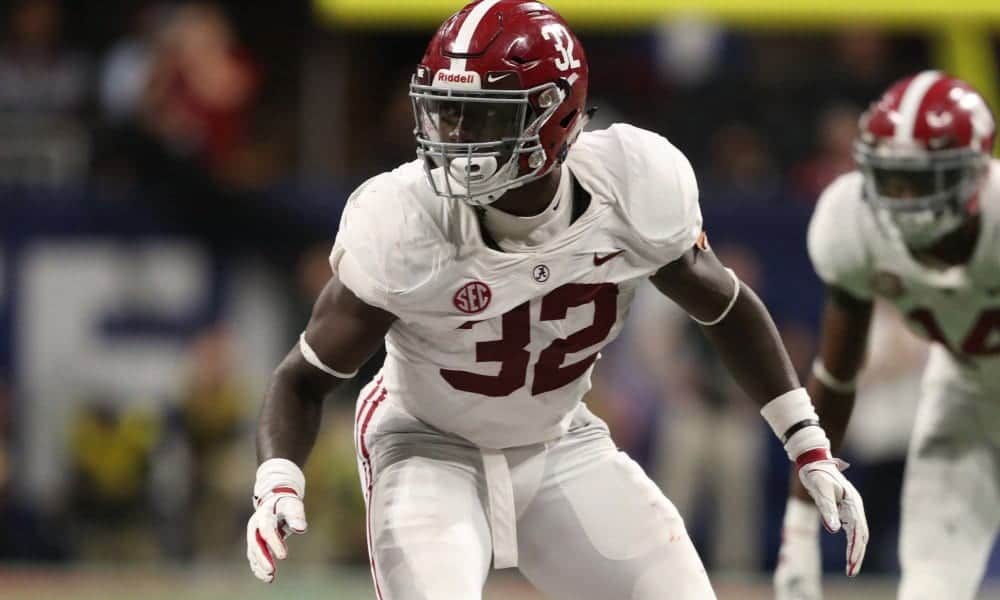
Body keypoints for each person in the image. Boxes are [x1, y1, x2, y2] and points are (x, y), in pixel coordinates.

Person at [245, 2, 867, 598]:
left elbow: (725, 307)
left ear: (554, 116)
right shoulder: (406, 218)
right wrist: (278, 481)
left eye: (482, 115)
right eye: (448, 111)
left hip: (559, 441)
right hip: (426, 446)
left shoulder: (628, 187)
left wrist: (805, 439)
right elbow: (303, 378)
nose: (456, 136)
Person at [774, 70, 999, 600]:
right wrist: (800, 531)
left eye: (920, 180)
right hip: (967, 388)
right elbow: (837, 376)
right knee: (930, 585)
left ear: (971, 176)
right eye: (890, 177)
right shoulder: (852, 220)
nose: (899, 198)